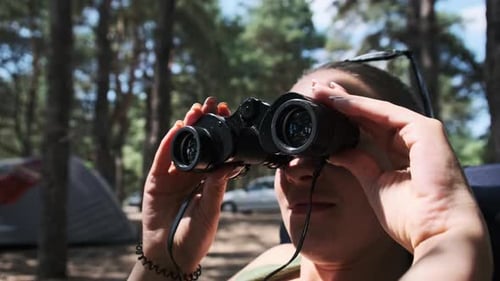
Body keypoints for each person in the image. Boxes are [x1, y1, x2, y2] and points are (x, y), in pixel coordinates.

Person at [128, 59, 493, 281]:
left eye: (334, 138)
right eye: (282, 147)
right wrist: (164, 261)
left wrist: (443, 234)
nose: (298, 168)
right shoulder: (271, 265)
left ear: (409, 160)